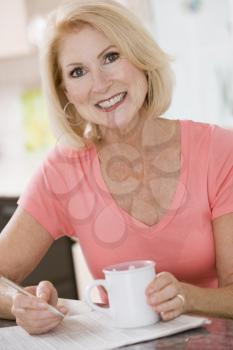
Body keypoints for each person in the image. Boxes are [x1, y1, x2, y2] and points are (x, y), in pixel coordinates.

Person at [0, 0, 233, 335]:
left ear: (139, 58)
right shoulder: (63, 170)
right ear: (66, 91)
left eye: (110, 57)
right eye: (78, 72)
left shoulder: (218, 151)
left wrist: (188, 296)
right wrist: (21, 303)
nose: (100, 84)